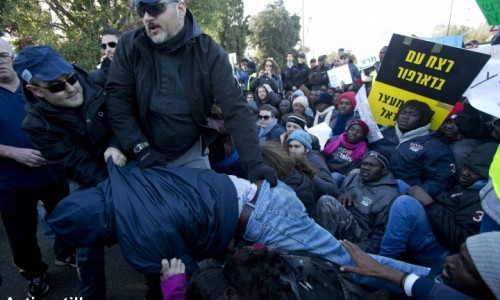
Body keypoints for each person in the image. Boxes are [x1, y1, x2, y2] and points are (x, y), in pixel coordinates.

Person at [47, 162, 430, 294]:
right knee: (341, 263)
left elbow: (192, 284)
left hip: (264, 216)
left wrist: (171, 286)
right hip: (261, 202)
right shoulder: (126, 180)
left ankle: (435, 285)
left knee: (354, 265)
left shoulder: (141, 237)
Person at [105, 0, 276, 187]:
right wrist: (139, 147)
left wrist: (254, 162)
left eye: (156, 8)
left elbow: (235, 107)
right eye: (142, 10)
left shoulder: (209, 52)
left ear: (180, 8)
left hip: (188, 152)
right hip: (140, 152)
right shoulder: (130, 45)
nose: (147, 17)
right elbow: (117, 99)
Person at [13, 45, 127, 299]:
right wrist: (119, 189)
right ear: (35, 91)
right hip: (84, 179)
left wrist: (115, 145)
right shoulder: (36, 125)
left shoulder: (98, 81)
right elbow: (76, 165)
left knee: (147, 223)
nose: (71, 87)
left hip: (123, 160)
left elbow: (124, 119)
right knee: (87, 246)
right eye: (56, 86)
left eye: (71, 77)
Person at [0, 38, 70, 298]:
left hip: (51, 172)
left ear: (13, 57)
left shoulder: (37, 86)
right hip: (11, 180)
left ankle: (66, 254)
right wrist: (13, 153)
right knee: (21, 235)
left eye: (2, 56)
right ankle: (35, 273)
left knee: (65, 216)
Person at [379, 142, 498, 267]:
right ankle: (376, 233)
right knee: (397, 184)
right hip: (434, 225)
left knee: (404, 203)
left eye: (474, 172)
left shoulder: (483, 201)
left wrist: (429, 203)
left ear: (487, 177)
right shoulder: (465, 184)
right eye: (466, 167)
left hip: (442, 251)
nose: (465, 173)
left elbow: (460, 240)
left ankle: (384, 262)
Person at [341, 232, 500, 300]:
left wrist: (384, 271)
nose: (450, 260)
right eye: (459, 253)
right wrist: (382, 270)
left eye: (467, 267)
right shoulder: (443, 275)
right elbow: (423, 287)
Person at [316, 151, 400, 254]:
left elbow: (380, 234)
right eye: (364, 164)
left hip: (360, 235)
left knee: (327, 201)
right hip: (340, 223)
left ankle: (321, 248)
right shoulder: (354, 177)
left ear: (384, 171)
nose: (366, 167)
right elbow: (336, 204)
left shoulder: (389, 195)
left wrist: (358, 249)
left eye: (372, 165)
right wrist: (343, 195)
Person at [371, 99, 456, 197]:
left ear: (423, 120)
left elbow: (441, 180)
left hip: (401, 197)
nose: (405, 117)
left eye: (413, 114)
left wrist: (414, 194)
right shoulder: (383, 134)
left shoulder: (435, 147)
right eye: (403, 112)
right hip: (369, 188)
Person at [287, 130, 340, 199]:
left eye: (297, 147)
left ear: (307, 149)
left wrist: (309, 176)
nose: (292, 150)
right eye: (290, 146)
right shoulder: (294, 157)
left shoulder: (315, 161)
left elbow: (332, 190)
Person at [323, 119, 369, 185]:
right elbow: (323, 154)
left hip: (342, 176)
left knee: (335, 177)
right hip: (325, 169)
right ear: (347, 131)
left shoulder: (364, 151)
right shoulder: (335, 139)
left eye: (359, 132)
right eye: (352, 129)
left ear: (363, 136)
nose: (354, 133)